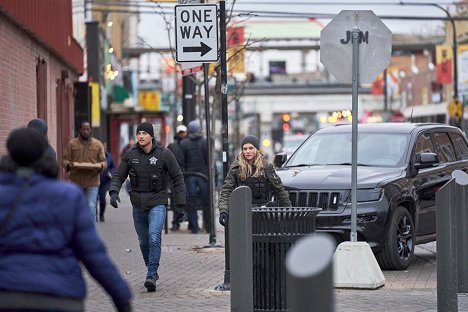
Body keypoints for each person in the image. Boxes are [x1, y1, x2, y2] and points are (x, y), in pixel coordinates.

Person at [0, 128, 132, 312]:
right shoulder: (67, 196)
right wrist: (122, 298)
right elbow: (93, 254)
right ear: (44, 154)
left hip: (7, 296)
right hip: (61, 297)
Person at [109, 122, 186, 292]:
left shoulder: (164, 154)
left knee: (153, 237)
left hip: (158, 201)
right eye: (139, 133)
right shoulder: (130, 155)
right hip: (138, 203)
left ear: (152, 136)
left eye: (145, 133)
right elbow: (119, 175)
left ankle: (151, 274)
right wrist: (113, 192)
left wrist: (180, 203)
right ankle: (152, 269)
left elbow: (178, 177)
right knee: (144, 242)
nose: (141, 136)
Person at [218, 135, 292, 227]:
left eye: (251, 148)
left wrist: (289, 209)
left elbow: (279, 189)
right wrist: (223, 211)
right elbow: (226, 190)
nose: (247, 151)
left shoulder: (266, 167)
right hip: (242, 214)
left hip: (263, 215)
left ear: (256, 149)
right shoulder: (235, 168)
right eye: (245, 149)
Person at [62, 121, 107, 223]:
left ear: (90, 130)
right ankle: (77, 232)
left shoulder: (98, 144)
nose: (86, 131)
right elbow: (64, 160)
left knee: (91, 206)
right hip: (76, 181)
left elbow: (104, 162)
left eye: (88, 129)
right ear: (80, 130)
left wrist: (101, 166)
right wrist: (68, 165)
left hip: (92, 181)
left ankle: (91, 234)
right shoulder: (72, 144)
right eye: (84, 129)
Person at [180, 120, 210, 234]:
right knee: (206, 202)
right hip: (203, 175)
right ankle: (208, 227)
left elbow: (181, 161)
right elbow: (208, 160)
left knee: (191, 202)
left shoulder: (184, 143)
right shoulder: (204, 142)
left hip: (190, 175)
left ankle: (194, 227)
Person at [167, 124, 187, 231]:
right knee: (177, 199)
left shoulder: (173, 145)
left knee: (178, 199)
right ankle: (177, 221)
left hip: (180, 176)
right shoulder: (174, 145)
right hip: (178, 176)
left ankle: (177, 221)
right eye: (181, 132)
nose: (182, 134)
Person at [98, 143, 115, 222]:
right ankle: (94, 215)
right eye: (102, 146)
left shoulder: (109, 156)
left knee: (102, 199)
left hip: (105, 181)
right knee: (93, 200)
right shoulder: (95, 155)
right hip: (94, 180)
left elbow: (113, 167)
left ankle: (101, 214)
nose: (103, 147)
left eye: (104, 146)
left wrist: (111, 173)